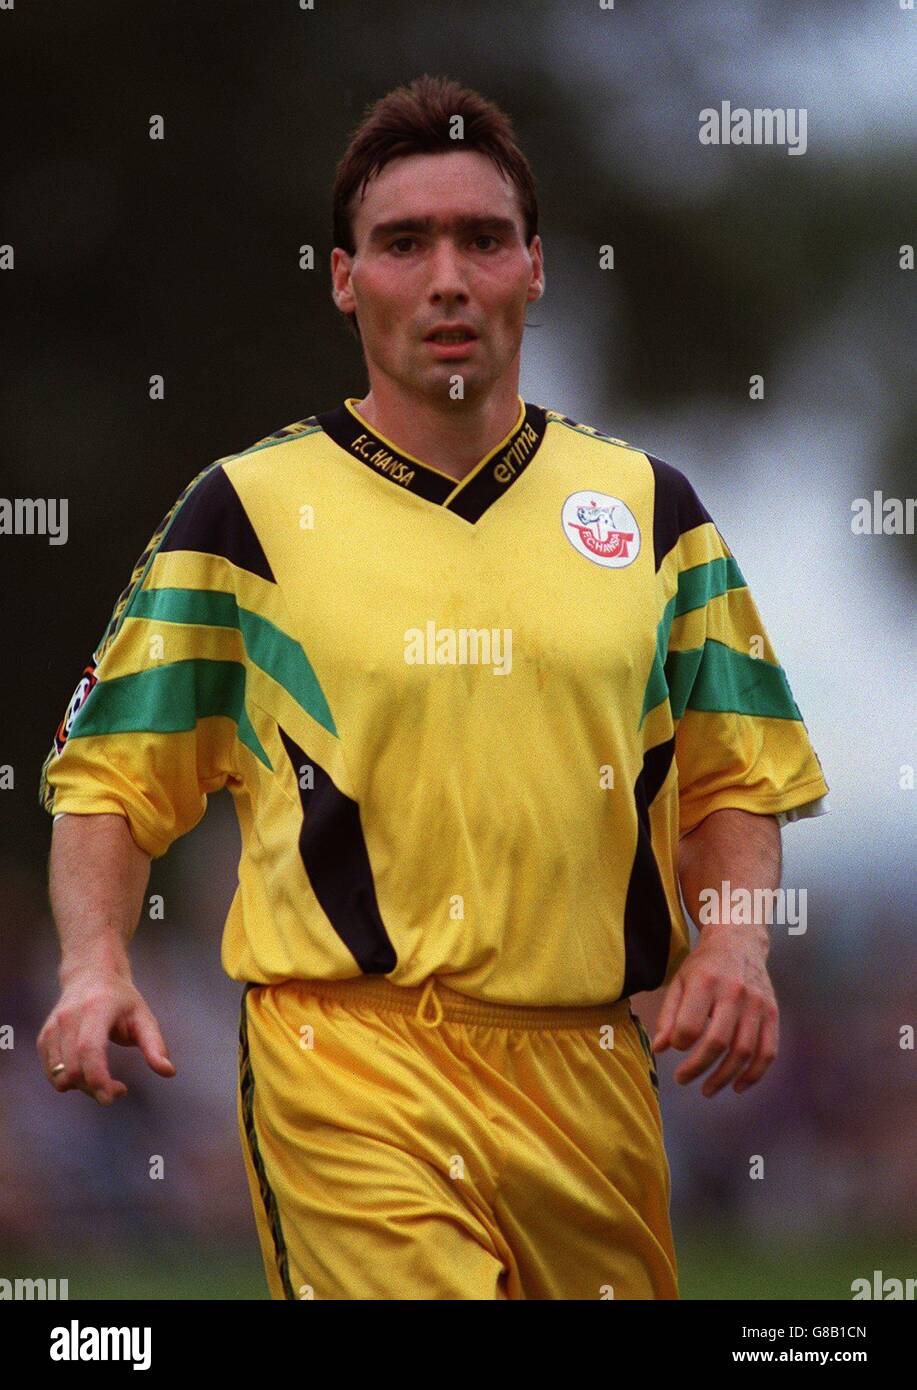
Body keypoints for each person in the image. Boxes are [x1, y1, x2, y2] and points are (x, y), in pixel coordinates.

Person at [37, 74, 830, 1300]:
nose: (447, 276)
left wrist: (734, 942)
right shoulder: (243, 515)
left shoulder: (651, 513)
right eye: (404, 242)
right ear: (346, 278)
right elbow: (108, 779)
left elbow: (737, 773)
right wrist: (95, 966)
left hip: (592, 1072)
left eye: (482, 238)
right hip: (343, 1060)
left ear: (534, 268)